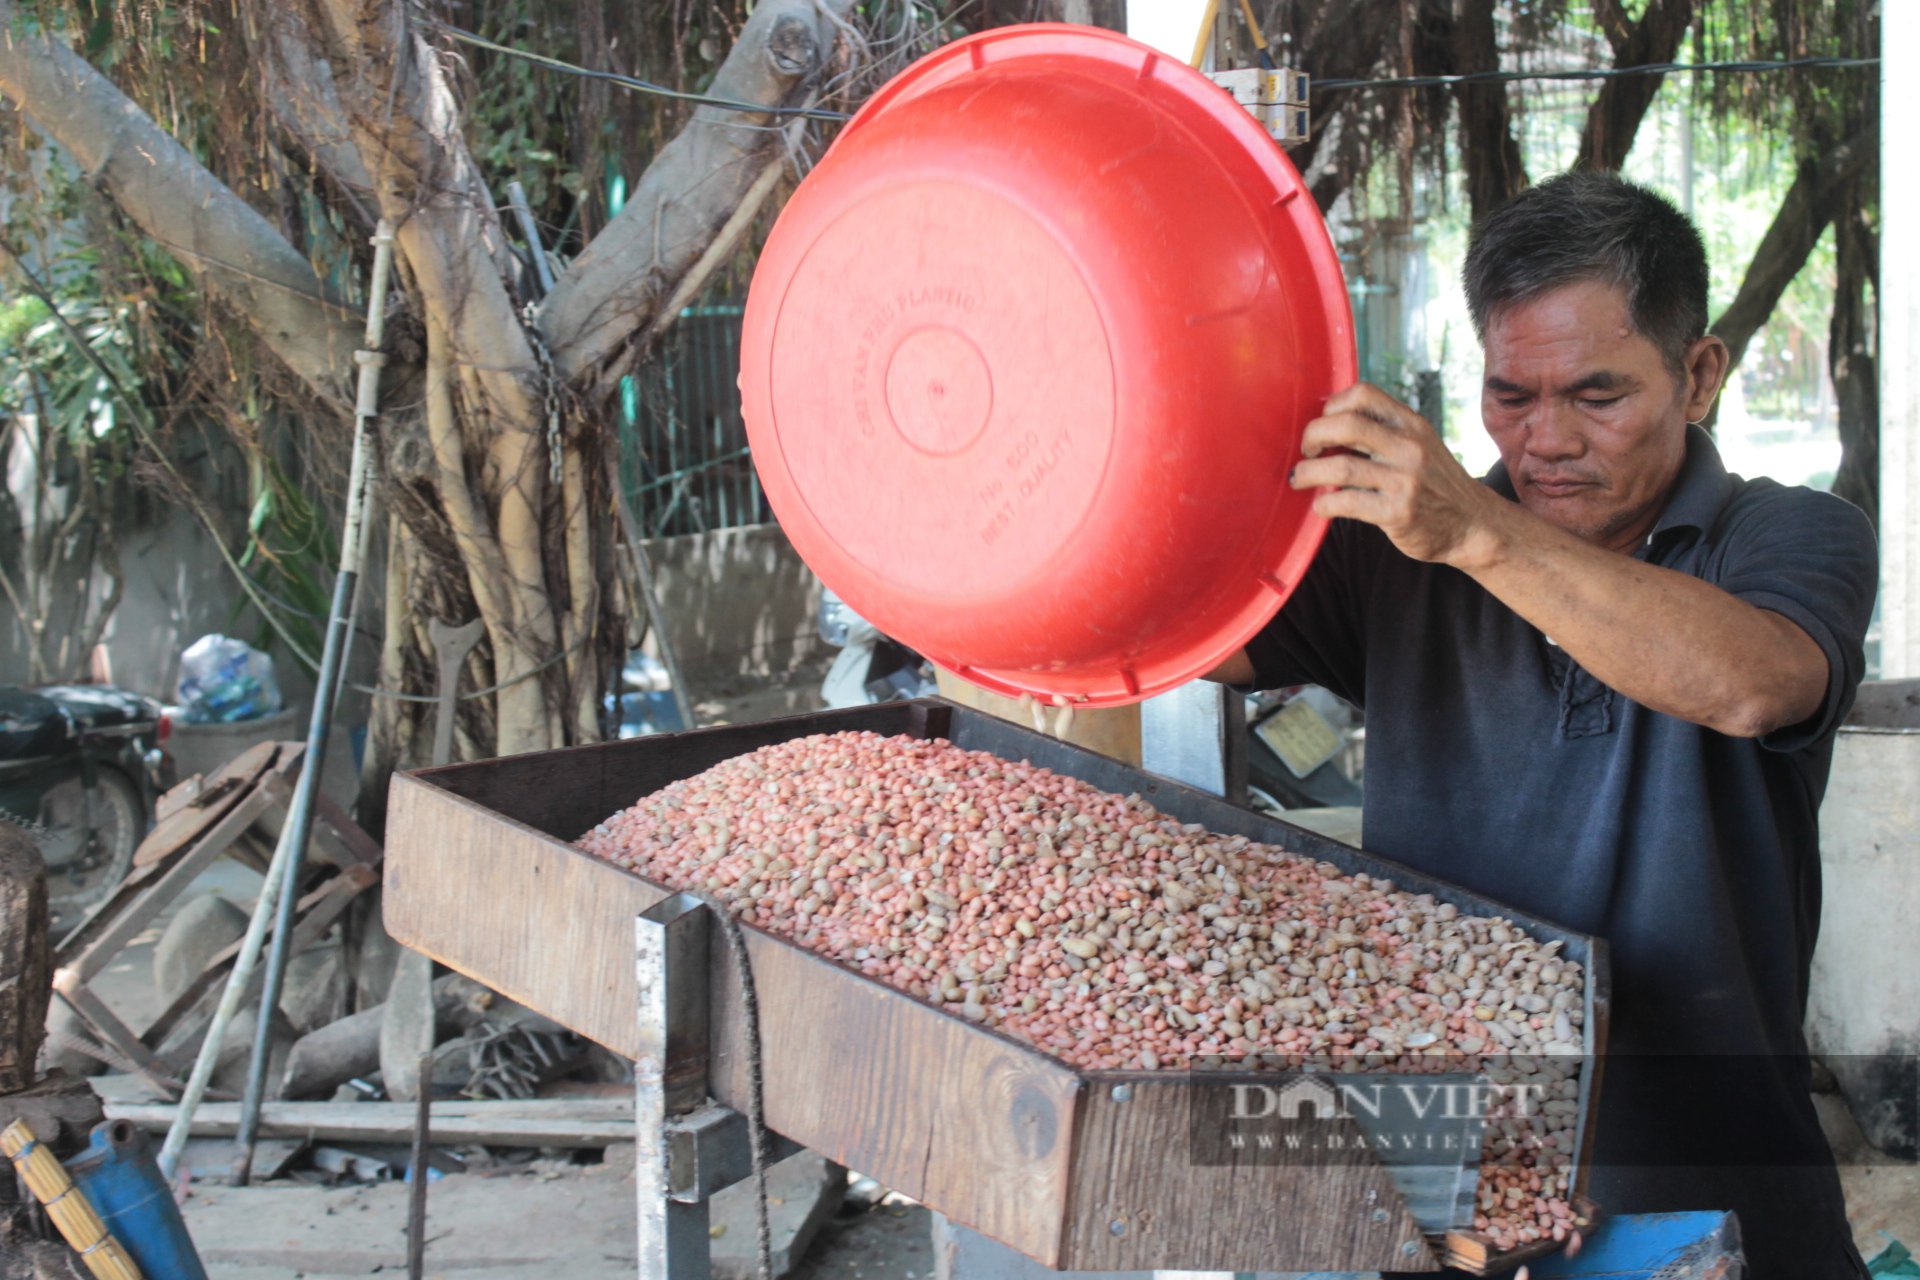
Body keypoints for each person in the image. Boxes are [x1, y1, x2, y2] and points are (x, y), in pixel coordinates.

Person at [1208, 171, 1876, 1279]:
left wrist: (1476, 531)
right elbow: (1193, 628)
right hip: (1454, 1195)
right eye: (1511, 397)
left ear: (1698, 373)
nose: (1547, 439)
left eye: (1597, 396)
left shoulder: (1791, 535)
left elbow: (1750, 681)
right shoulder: (1397, 558)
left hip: (1718, 1188)